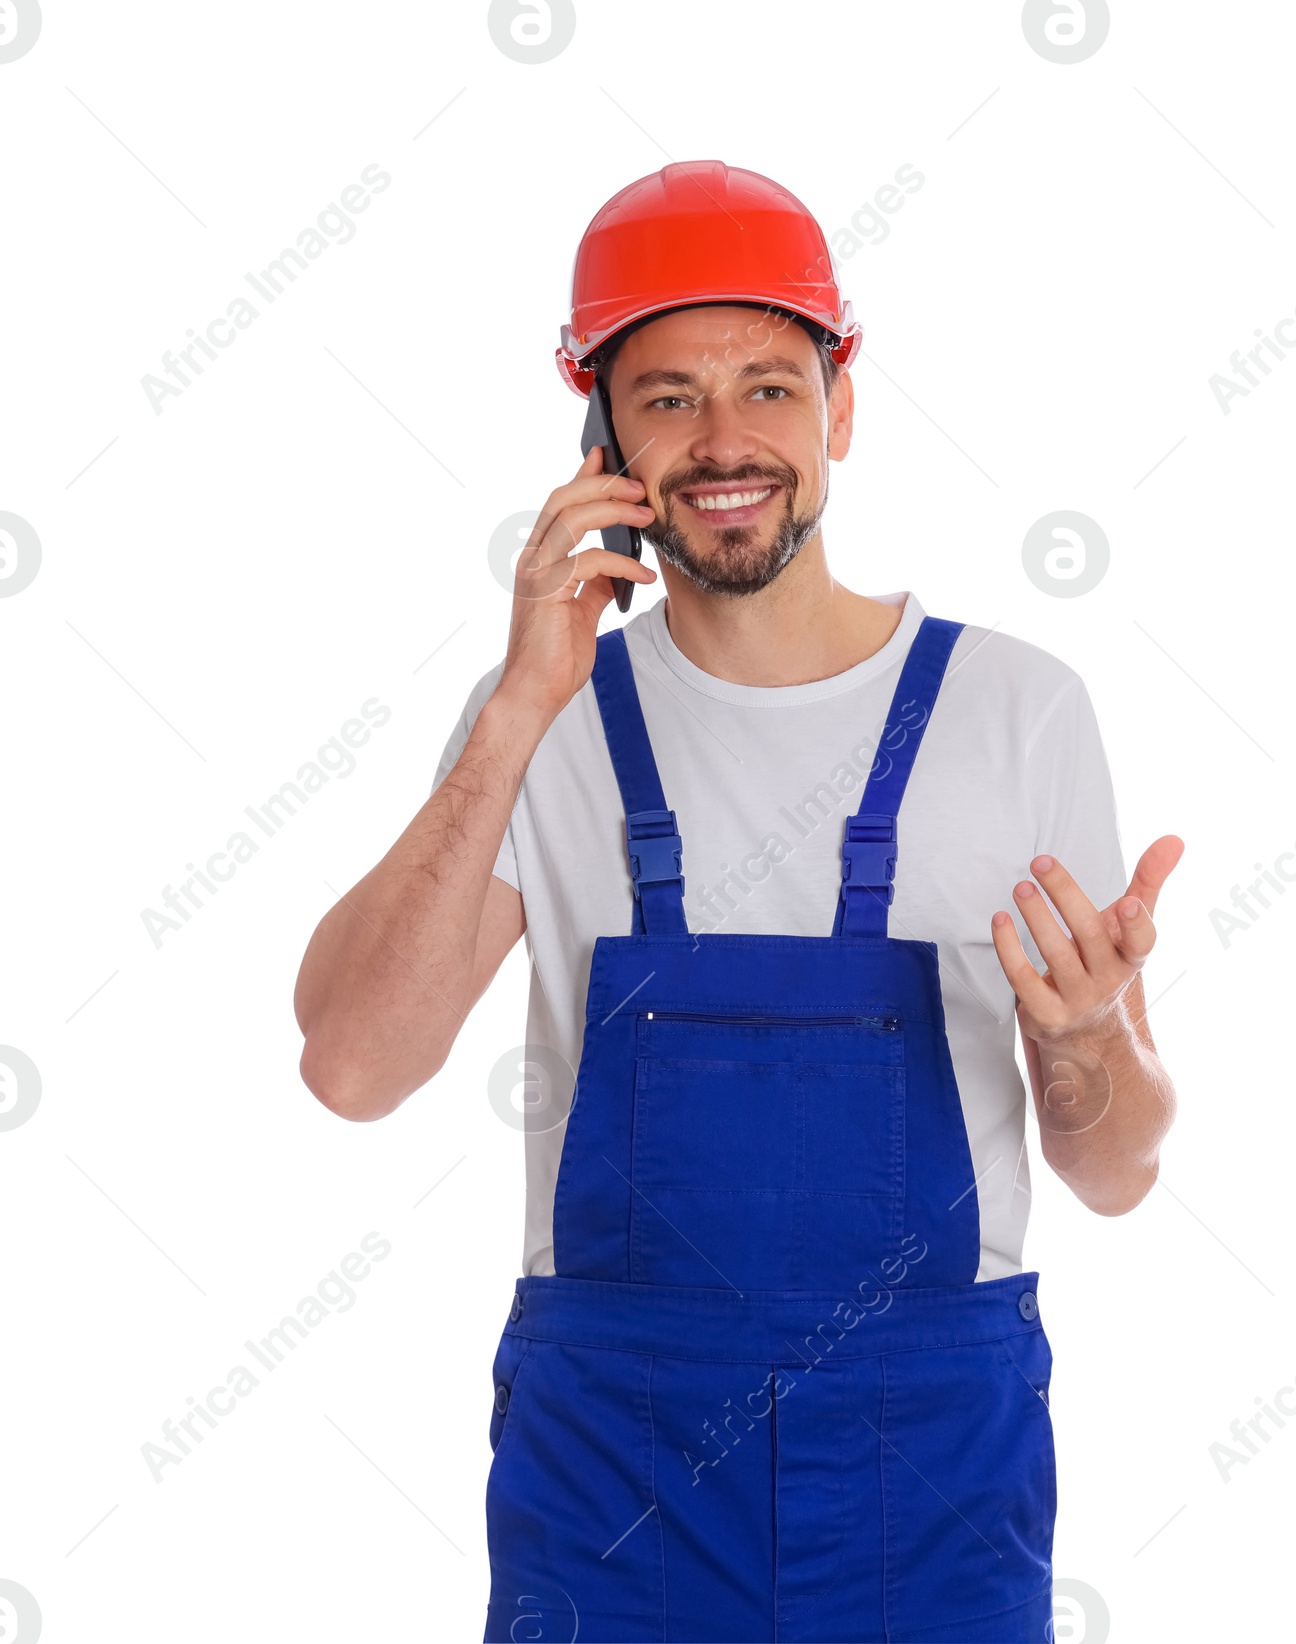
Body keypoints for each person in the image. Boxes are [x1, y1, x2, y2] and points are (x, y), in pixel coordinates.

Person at [294, 159, 1181, 1644]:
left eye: (769, 388)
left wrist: (1090, 1041)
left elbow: (1120, 1173)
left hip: (932, 1470)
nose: (724, 442)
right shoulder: (547, 715)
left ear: (840, 408)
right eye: (667, 398)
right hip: (617, 1476)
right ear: (601, 436)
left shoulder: (1018, 711)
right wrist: (516, 709)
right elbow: (350, 1066)